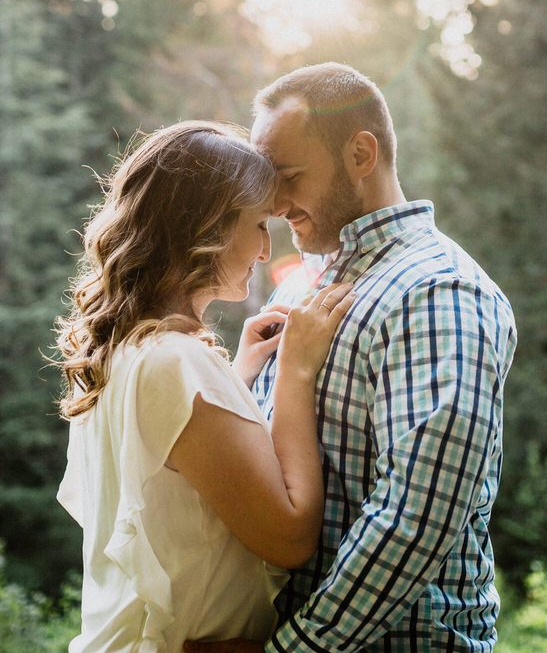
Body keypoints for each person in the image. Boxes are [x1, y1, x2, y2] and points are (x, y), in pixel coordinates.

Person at [189, 63, 517, 653]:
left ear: (362, 155)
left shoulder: (438, 292)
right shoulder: (300, 287)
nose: (275, 203)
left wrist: (289, 651)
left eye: (288, 176)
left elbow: (416, 518)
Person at [54, 121, 356, 653]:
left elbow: (165, 468)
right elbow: (288, 537)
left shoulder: (123, 350)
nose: (266, 250)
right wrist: (296, 372)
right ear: (208, 226)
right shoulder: (176, 363)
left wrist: (235, 378)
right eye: (260, 224)